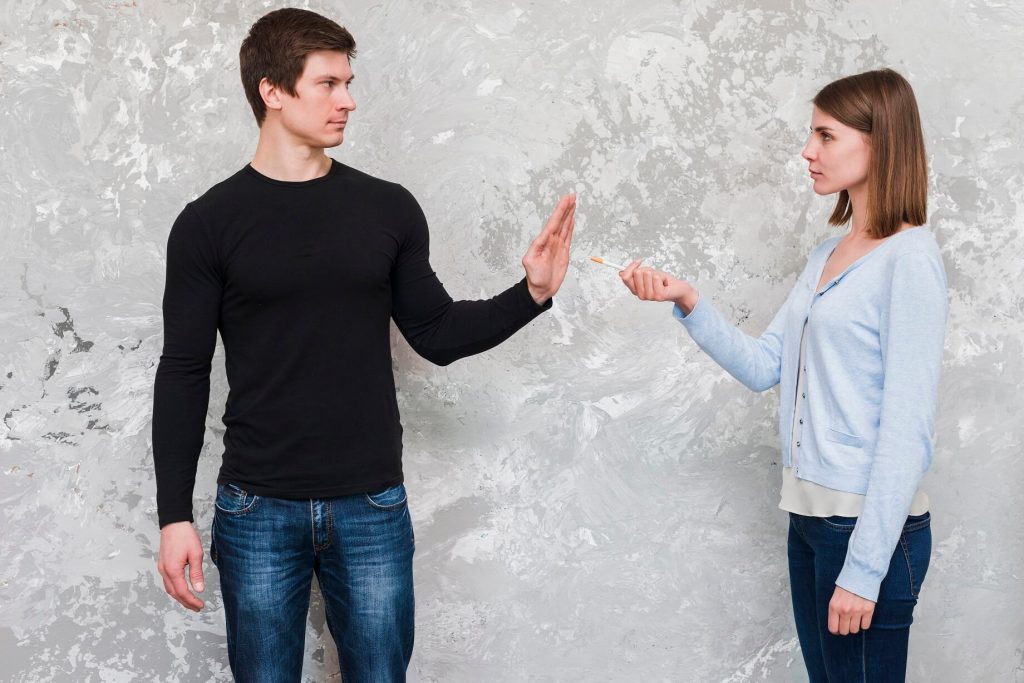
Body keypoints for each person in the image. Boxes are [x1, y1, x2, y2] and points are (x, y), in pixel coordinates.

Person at [151, 8, 575, 682]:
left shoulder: (388, 209)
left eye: (349, 82)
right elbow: (183, 372)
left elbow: (434, 334)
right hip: (256, 509)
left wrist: (532, 293)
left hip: (371, 506)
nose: (348, 100)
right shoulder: (208, 224)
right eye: (328, 84)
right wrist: (174, 515)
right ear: (273, 90)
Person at [618, 68, 946, 681]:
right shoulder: (827, 254)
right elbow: (767, 365)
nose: (807, 151)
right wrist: (687, 300)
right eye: (810, 135)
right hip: (811, 522)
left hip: (863, 533)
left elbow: (908, 430)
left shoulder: (912, 262)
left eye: (825, 136)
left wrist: (865, 569)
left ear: (879, 142)